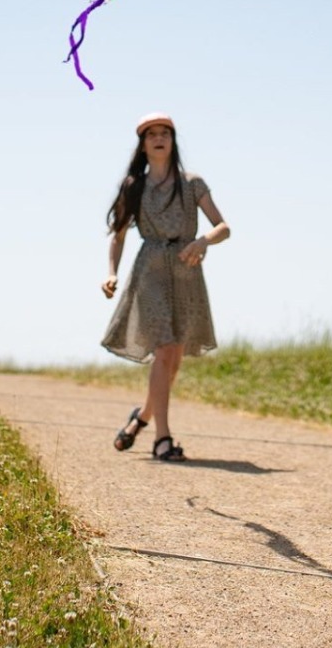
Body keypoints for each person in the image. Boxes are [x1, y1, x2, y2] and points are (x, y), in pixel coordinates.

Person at [99, 113, 230, 462]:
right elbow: (119, 234)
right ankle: (163, 440)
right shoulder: (134, 186)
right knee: (164, 347)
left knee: (173, 357)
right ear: (143, 144)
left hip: (187, 270)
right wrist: (110, 272)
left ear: (173, 141)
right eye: (151, 134)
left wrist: (202, 242)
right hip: (151, 270)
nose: (158, 139)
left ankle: (141, 419)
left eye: (165, 134)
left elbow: (223, 226)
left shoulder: (192, 184)